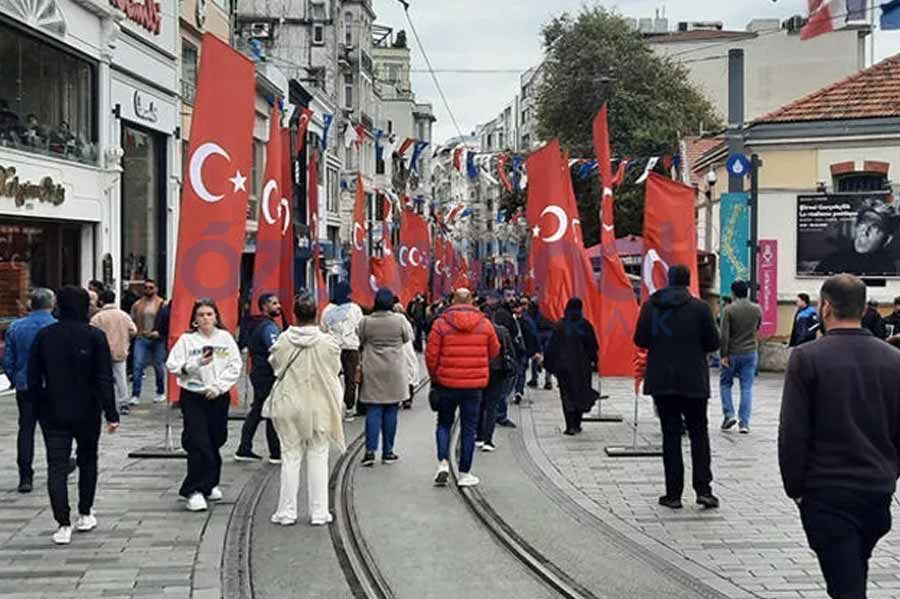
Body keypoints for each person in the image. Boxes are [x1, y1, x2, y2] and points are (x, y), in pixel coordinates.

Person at [779, 274, 900, 599]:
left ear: (826, 307)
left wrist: (796, 490)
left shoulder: (808, 357)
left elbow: (793, 432)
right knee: (851, 576)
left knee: (846, 587)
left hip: (827, 492)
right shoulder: (893, 359)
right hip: (876, 491)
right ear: (862, 309)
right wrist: (890, 472)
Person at [27, 286, 119, 545]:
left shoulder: (45, 336)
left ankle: (62, 523)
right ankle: (85, 512)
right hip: (87, 410)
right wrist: (111, 413)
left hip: (53, 410)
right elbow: (104, 378)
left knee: (56, 467)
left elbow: (33, 377)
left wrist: (35, 408)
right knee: (88, 460)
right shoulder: (95, 336)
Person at [634, 265, 720, 510]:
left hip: (662, 381)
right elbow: (712, 343)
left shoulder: (651, 306)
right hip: (693, 380)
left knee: (670, 437)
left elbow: (639, 339)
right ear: (688, 281)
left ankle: (673, 494)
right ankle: (703, 490)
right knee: (698, 435)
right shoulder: (701, 308)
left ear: (668, 280)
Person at [268, 296, 345, 526]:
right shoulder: (329, 343)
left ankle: (287, 511)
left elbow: (276, 365)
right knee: (319, 456)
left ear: (294, 314)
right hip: (320, 405)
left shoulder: (283, 340)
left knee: (290, 456)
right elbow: (336, 369)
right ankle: (319, 512)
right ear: (317, 314)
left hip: (289, 403)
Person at [166, 299, 243, 512]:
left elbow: (234, 365)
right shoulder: (187, 340)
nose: (205, 318)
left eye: (209, 314)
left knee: (216, 439)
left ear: (216, 317)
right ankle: (194, 489)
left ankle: (210, 483)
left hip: (217, 396)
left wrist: (219, 387)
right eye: (201, 315)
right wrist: (195, 364)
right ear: (194, 319)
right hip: (193, 396)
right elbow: (173, 365)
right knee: (198, 442)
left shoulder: (225, 338)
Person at [426, 288, 500, 488]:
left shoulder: (440, 324)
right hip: (473, 386)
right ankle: (465, 473)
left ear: (452, 301)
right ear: (472, 301)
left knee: (443, 424)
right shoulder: (484, 324)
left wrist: (435, 376)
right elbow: (495, 351)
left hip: (447, 384)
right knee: (468, 429)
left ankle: (443, 463)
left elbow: (431, 355)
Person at [2, 288, 56, 493]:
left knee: (26, 429)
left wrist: (15, 378)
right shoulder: (55, 327)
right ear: (51, 304)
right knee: (53, 429)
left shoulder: (16, 327)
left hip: (25, 385)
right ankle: (57, 466)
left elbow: (8, 359)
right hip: (50, 386)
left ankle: (25, 475)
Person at [357, 289, 410, 467]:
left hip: (372, 367)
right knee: (391, 410)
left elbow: (361, 339)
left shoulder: (366, 321)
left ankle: (370, 451)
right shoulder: (399, 320)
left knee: (373, 410)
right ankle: (388, 452)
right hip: (394, 368)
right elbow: (407, 337)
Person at [235, 294, 283, 463]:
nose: (278, 306)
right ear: (264, 306)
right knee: (270, 410)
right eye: (274, 303)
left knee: (258, 411)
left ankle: (244, 448)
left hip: (258, 371)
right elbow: (276, 350)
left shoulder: (258, 324)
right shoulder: (268, 327)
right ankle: (275, 452)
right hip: (266, 374)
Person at [544, 298, 599, 436]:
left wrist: (549, 365)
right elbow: (593, 346)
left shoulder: (560, 326)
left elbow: (552, 347)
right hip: (582, 368)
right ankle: (577, 423)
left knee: (566, 395)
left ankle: (570, 426)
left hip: (563, 368)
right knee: (580, 393)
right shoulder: (585, 325)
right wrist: (594, 361)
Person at [718, 280, 762, 434]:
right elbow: (757, 327)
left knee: (725, 384)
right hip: (750, 352)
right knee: (746, 387)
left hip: (732, 352)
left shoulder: (728, 310)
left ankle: (729, 414)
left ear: (733, 293)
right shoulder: (757, 309)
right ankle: (744, 423)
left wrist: (723, 354)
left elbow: (724, 334)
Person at [814, 203, 897, 277]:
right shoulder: (832, 261)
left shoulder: (890, 269)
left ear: (887, 239)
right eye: (863, 223)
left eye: (875, 227)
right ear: (856, 227)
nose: (865, 231)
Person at [321, 281, 364, 419]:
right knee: (350, 379)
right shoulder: (355, 309)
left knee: (331, 378)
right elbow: (360, 328)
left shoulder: (327, 310)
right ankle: (349, 408)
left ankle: (332, 407)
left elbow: (323, 329)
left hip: (332, 348)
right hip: (351, 347)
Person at [90, 290, 137, 416]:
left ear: (101, 301)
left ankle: (101, 403)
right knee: (121, 378)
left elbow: (91, 333)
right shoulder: (123, 315)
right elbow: (133, 330)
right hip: (120, 350)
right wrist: (125, 338)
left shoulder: (97, 317)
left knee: (102, 378)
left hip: (101, 352)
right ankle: (123, 403)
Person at [476, 303, 516, 452]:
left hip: (480, 370)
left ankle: (478, 436)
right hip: (497, 371)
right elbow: (510, 351)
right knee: (491, 406)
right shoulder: (502, 330)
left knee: (479, 404)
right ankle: (488, 440)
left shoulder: (476, 331)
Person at [483, 291, 520, 428]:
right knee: (500, 392)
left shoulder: (483, 323)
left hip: (485, 364)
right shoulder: (503, 321)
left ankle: (485, 424)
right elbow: (511, 340)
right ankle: (499, 417)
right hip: (498, 364)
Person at [130, 279, 167, 405]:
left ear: (156, 289)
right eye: (146, 287)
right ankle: (135, 394)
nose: (148, 290)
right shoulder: (137, 305)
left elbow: (167, 321)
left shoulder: (162, 304)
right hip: (142, 337)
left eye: (151, 287)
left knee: (158, 366)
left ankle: (160, 391)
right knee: (137, 365)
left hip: (158, 339)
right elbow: (132, 320)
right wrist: (135, 331)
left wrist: (160, 332)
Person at [393, 302, 419, 410]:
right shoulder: (404, 320)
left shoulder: (392, 319)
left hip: (395, 348)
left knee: (398, 374)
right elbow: (411, 336)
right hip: (406, 348)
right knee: (409, 372)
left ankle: (397, 398)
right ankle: (408, 399)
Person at [513, 298, 540, 404]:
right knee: (520, 371)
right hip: (521, 350)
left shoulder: (512, 319)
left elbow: (533, 335)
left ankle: (517, 390)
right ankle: (518, 390)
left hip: (519, 349)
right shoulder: (527, 319)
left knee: (518, 371)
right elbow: (534, 335)